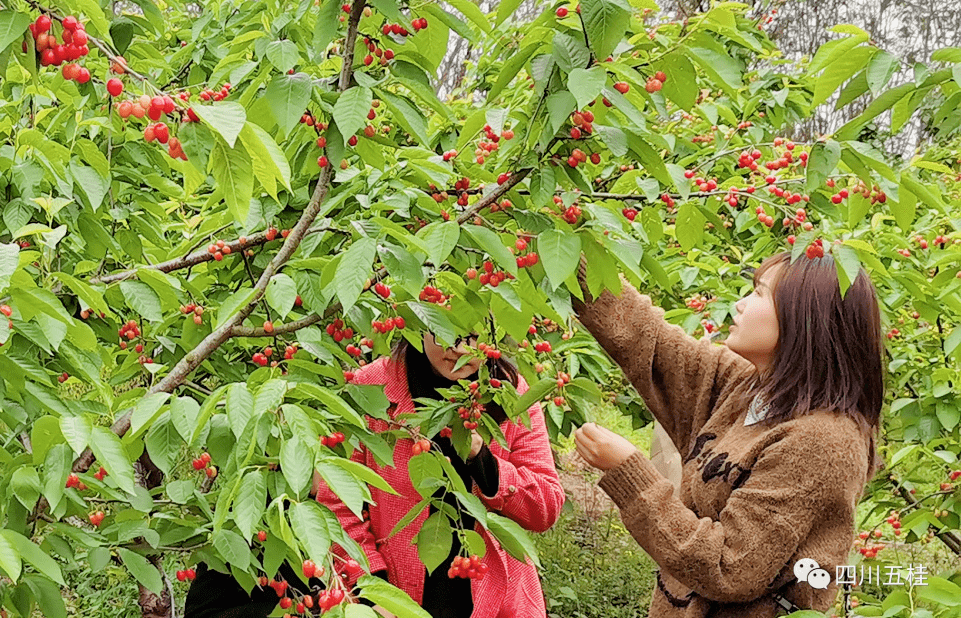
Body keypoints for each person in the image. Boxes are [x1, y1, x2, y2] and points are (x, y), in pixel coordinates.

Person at [572, 251, 884, 617]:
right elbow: (646, 338)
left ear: (804, 318)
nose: (739, 303)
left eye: (758, 293)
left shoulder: (822, 442)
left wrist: (629, 472)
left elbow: (730, 567)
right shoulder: (746, 388)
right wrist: (560, 242)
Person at [313, 331, 565, 618]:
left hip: (494, 600)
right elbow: (339, 503)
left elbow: (545, 508)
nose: (459, 349)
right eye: (446, 332)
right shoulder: (371, 387)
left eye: (472, 336)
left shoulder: (510, 393)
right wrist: (373, 592)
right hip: (399, 595)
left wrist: (482, 459)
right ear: (420, 321)